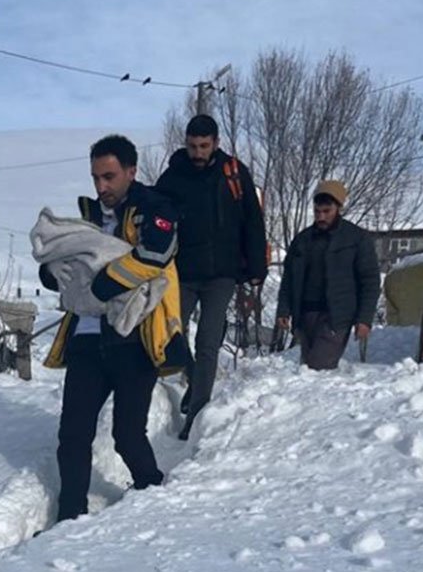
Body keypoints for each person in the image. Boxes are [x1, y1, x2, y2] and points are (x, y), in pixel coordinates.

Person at [39, 134, 191, 523]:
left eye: (109, 176)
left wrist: (102, 284)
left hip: (134, 340)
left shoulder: (155, 207)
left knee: (127, 435)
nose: (101, 186)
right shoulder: (87, 217)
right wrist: (54, 273)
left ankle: (152, 494)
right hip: (86, 340)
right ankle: (69, 517)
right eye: (95, 177)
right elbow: (65, 260)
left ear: (131, 171)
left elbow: (156, 254)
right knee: (72, 435)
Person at [155, 114, 266, 440]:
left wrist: (256, 266)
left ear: (216, 143)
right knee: (170, 335)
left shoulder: (234, 173)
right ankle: (193, 380)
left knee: (208, 342)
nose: (198, 153)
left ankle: (196, 414)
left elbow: (252, 220)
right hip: (183, 273)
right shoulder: (174, 175)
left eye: (204, 146)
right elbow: (154, 214)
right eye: (193, 146)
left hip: (222, 273)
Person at [275, 180, 380, 370]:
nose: (321, 217)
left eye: (326, 211)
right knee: (308, 368)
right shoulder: (302, 240)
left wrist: (364, 319)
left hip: (337, 316)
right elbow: (289, 278)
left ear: (338, 208)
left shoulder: (356, 238)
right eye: (317, 212)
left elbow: (370, 281)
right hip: (305, 314)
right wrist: (284, 310)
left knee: (318, 367)